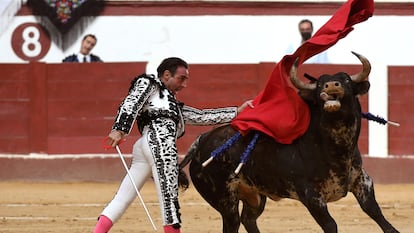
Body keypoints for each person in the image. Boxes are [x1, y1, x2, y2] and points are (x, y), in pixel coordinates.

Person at [93, 57, 253, 233]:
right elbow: (131, 102)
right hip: (161, 146)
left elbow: (201, 116)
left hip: (144, 146)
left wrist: (236, 112)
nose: (184, 84)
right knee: (169, 203)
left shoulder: (173, 105)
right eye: (181, 78)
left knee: (123, 199)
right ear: (166, 75)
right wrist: (119, 129)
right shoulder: (149, 82)